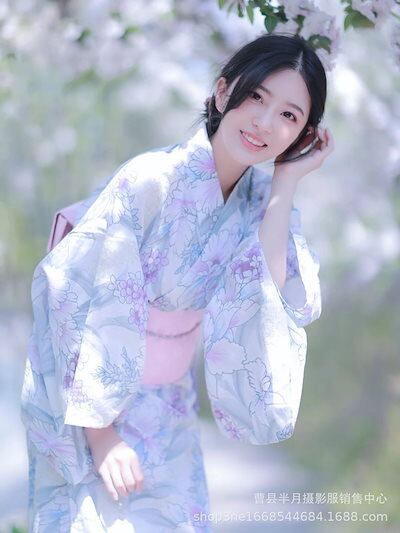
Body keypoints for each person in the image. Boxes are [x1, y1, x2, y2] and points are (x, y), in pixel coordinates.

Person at [20, 32, 334, 532]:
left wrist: (286, 182)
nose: (264, 122)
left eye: (288, 115)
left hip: (170, 408)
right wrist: (101, 436)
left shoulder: (264, 201)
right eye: (256, 96)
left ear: (303, 134)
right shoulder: (151, 180)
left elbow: (269, 300)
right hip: (90, 407)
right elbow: (79, 298)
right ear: (223, 91)